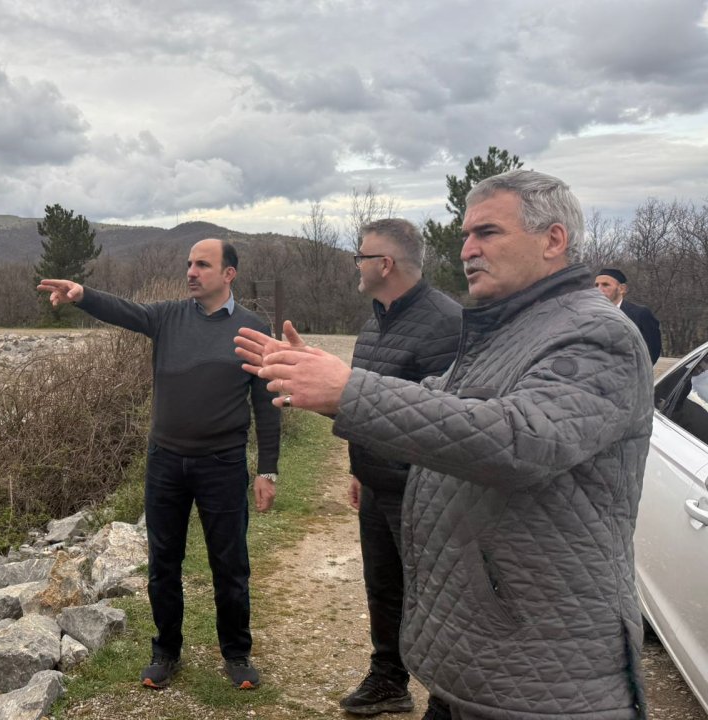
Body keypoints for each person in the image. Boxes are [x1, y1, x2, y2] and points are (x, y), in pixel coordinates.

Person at [236, 170, 653, 719]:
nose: (467, 250)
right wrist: (334, 391)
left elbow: (519, 439)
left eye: (487, 233)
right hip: (481, 660)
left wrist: (350, 392)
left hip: (541, 677)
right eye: (464, 235)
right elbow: (441, 398)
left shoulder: (598, 335)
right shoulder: (507, 328)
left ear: (554, 240)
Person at [38, 238, 280, 691]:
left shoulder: (252, 328)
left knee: (230, 565)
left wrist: (267, 470)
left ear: (229, 274)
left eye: (202, 265)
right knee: (163, 564)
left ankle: (237, 653)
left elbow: (266, 405)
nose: (191, 272)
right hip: (165, 461)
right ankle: (166, 651)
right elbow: (126, 311)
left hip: (222, 465)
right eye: (189, 264)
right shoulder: (169, 317)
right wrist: (82, 295)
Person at [339, 219, 462, 717]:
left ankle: (446, 697)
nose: (357, 266)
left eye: (360, 257)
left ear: (384, 264)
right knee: (384, 587)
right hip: (376, 484)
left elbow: (450, 420)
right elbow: (367, 403)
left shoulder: (447, 323)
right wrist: (357, 468)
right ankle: (389, 678)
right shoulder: (376, 320)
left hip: (422, 490)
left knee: (434, 597)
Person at [595, 268, 662, 363]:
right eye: (596, 285)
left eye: (605, 285)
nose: (599, 289)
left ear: (622, 289)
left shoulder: (640, 314)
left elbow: (652, 352)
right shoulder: (590, 315)